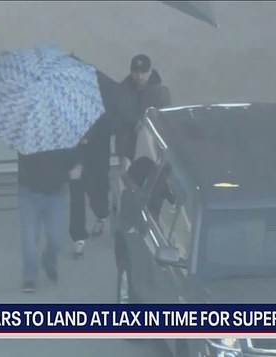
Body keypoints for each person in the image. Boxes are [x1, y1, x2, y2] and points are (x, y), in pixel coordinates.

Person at [17, 148, 82, 293]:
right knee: (30, 236)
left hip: (56, 195)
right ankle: (30, 277)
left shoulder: (61, 139)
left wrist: (78, 165)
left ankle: (49, 260)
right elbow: (40, 174)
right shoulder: (27, 142)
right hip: (29, 193)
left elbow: (75, 157)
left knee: (56, 237)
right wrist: (67, 175)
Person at [69, 111, 113, 258]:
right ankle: (78, 237)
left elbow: (109, 125)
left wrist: (87, 136)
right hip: (75, 157)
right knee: (77, 198)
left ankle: (101, 214)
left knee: (95, 191)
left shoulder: (97, 104)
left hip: (94, 155)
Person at [115, 54, 171, 169]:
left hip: (154, 148)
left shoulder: (161, 93)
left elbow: (165, 122)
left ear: (150, 72)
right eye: (136, 73)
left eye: (143, 73)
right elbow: (118, 123)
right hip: (128, 149)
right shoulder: (122, 92)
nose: (140, 77)